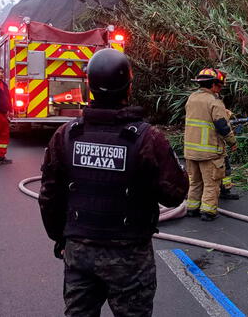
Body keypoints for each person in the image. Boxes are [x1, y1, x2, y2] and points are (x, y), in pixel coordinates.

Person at [38, 48, 188, 317]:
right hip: (129, 255)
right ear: (129, 88)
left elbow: (49, 195)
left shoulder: (66, 135)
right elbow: (175, 195)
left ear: (89, 86)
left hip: (79, 251)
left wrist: (61, 238)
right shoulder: (148, 138)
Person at [184, 68, 237, 221]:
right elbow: (222, 126)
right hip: (209, 152)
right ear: (213, 85)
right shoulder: (214, 102)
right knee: (211, 183)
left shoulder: (191, 99)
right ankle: (208, 212)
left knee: (194, 182)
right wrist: (232, 142)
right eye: (219, 86)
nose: (220, 89)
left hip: (191, 151)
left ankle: (192, 208)